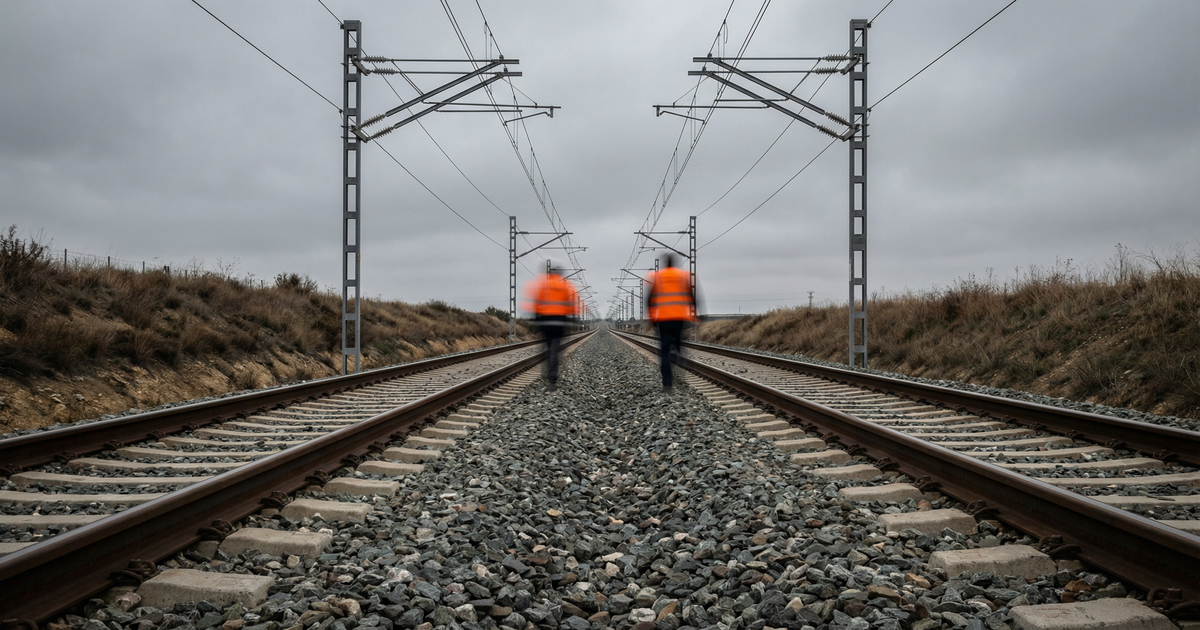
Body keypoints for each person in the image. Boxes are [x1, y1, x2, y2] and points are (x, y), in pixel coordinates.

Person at [523, 264, 579, 391]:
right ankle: (553, 377)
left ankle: (547, 373)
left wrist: (537, 317)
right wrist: (572, 318)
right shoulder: (565, 287)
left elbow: (537, 303)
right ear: (560, 275)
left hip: (546, 323)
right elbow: (571, 304)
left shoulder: (544, 286)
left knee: (548, 349)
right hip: (559, 323)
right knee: (555, 350)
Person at [646, 254, 696, 393]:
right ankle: (680, 362)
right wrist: (695, 315)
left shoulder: (657, 277)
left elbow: (650, 300)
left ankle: (667, 384)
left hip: (663, 320)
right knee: (679, 345)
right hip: (679, 318)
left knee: (665, 352)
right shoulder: (682, 276)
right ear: (674, 263)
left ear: (664, 264)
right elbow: (691, 296)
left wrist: (652, 320)